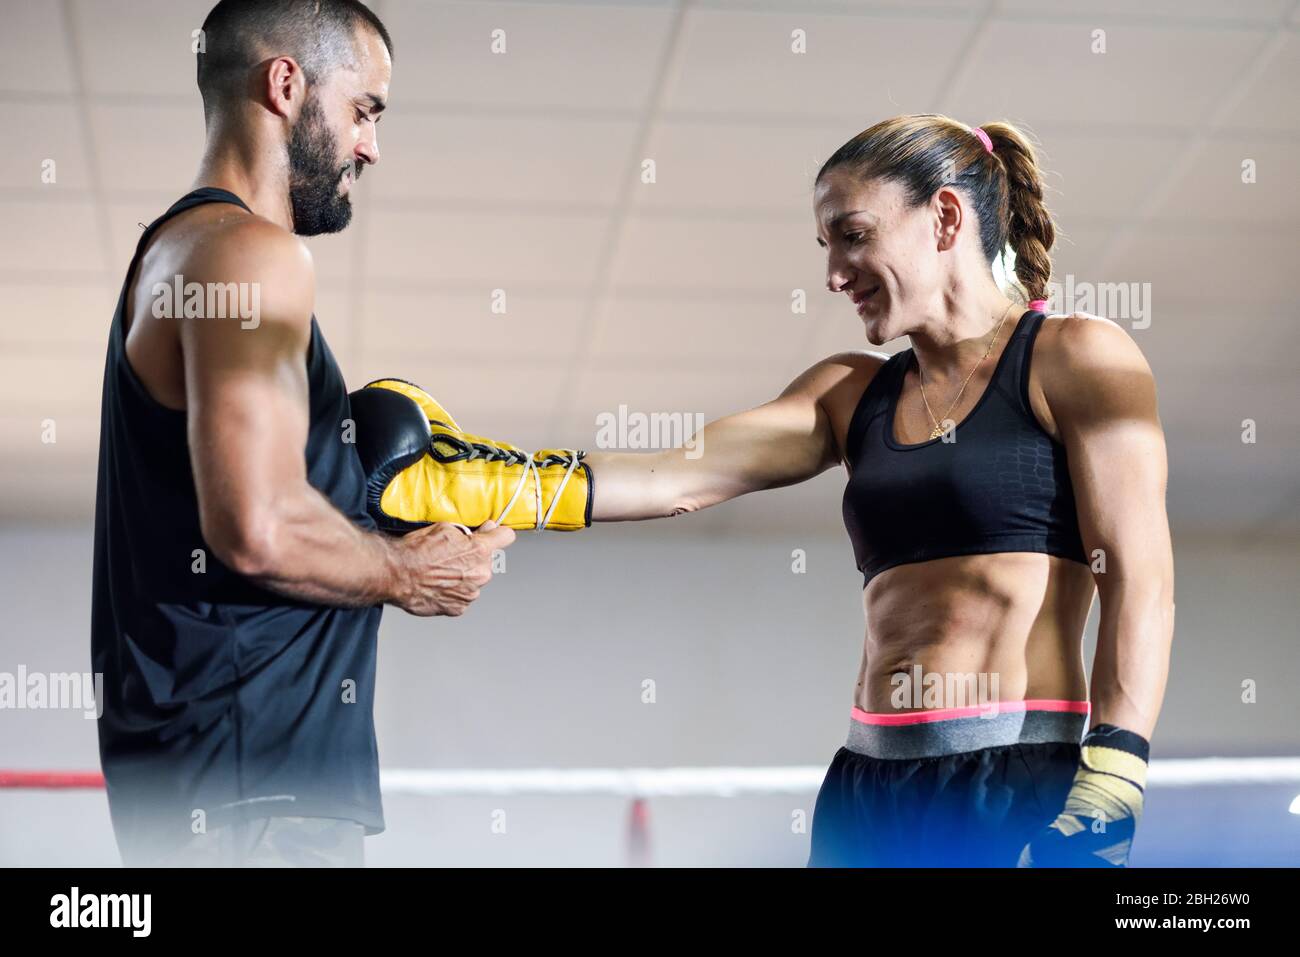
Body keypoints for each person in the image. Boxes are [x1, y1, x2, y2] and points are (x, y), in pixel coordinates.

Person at [356, 115, 1175, 866]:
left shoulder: (1075, 357)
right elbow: (674, 476)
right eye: (824, 245)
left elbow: (1139, 577)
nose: (833, 274)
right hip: (867, 784)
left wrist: (1112, 779)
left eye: (852, 237)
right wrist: (474, 483)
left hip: (1016, 775)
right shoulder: (852, 393)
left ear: (946, 219)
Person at [91, 0, 513, 867]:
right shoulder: (251, 254)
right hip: (257, 795)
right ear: (287, 84)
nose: (371, 146)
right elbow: (258, 526)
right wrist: (408, 570)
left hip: (217, 790)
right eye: (365, 110)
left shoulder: (177, 253)